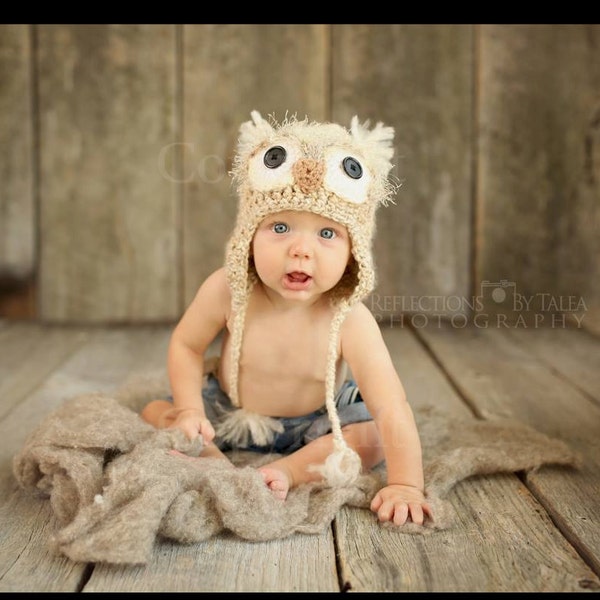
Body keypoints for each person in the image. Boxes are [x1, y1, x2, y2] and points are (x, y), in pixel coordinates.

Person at [141, 111, 432, 526]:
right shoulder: (228, 288)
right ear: (249, 236)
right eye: (280, 226)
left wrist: (405, 483)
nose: (300, 249)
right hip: (231, 411)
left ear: (353, 252)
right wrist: (190, 410)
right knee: (157, 410)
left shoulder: (349, 317)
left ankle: (288, 471)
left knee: (371, 438)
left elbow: (391, 406)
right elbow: (187, 346)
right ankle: (211, 459)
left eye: (326, 234)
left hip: (317, 421)